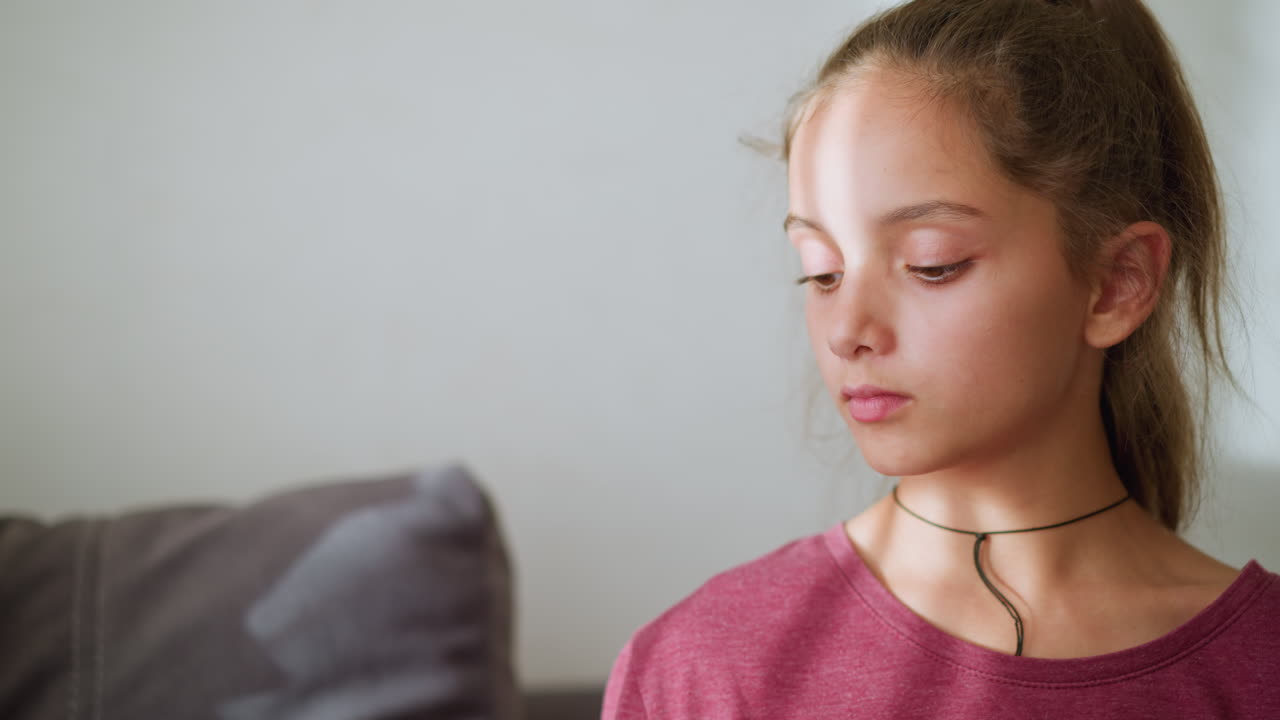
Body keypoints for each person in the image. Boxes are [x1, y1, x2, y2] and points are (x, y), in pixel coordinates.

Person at [601, 0, 1280, 717]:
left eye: (932, 265)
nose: (847, 331)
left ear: (1117, 284)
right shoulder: (700, 666)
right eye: (821, 270)